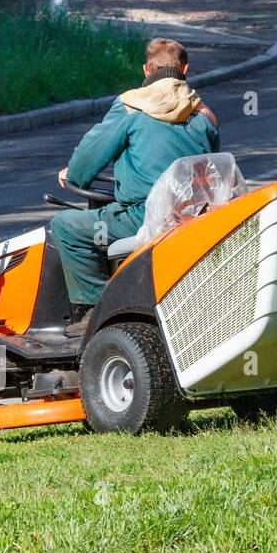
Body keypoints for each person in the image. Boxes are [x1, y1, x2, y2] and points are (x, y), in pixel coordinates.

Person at [52, 38, 221, 336]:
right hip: (193, 216)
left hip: (143, 217)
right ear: (184, 69)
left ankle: (93, 312)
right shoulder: (203, 115)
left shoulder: (131, 106)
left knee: (65, 226)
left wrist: (75, 177)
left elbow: (91, 152)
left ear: (146, 69)